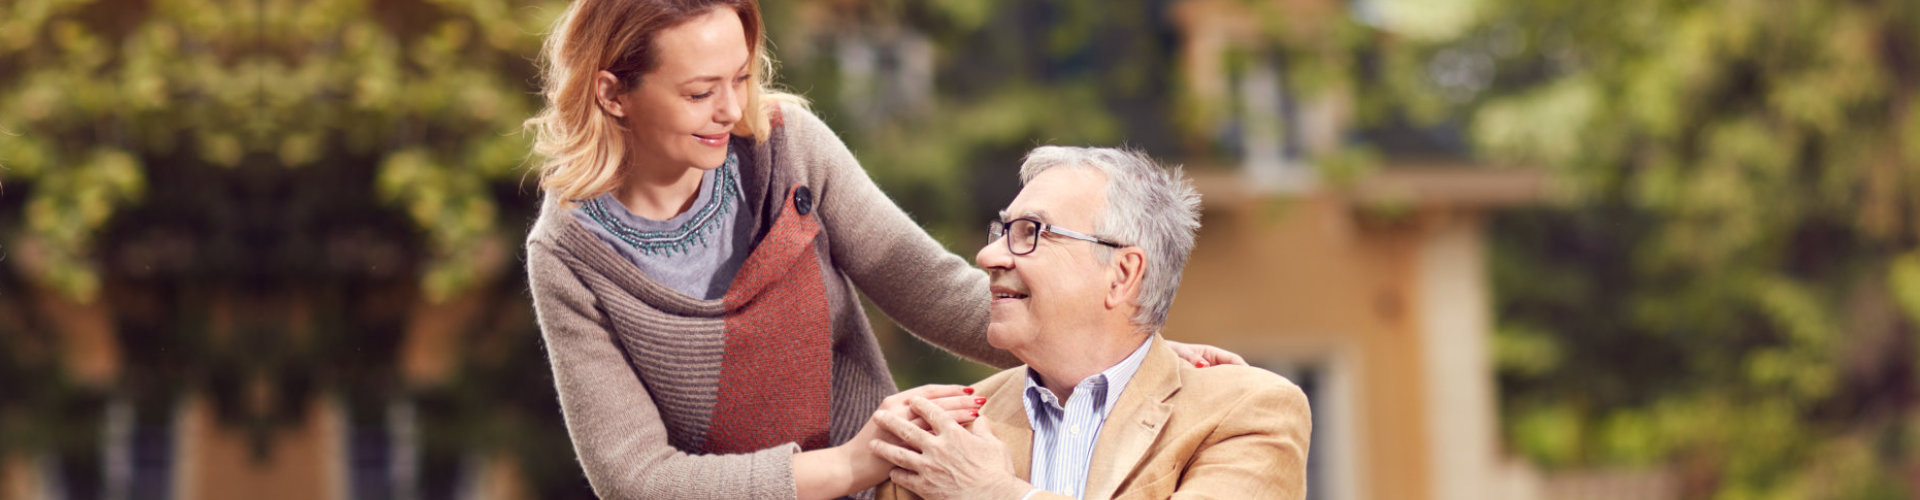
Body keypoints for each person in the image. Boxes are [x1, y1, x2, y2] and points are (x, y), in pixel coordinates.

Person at [519, 1, 1248, 498]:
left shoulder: (784, 148)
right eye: (700, 91)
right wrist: (846, 464)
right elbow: (636, 478)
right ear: (614, 93)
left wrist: (1136, 355)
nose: (731, 109)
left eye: (741, 77)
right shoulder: (570, 255)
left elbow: (926, 283)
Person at [868, 147, 1313, 500]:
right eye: (1003, 232)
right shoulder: (945, 431)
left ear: (1122, 274)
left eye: (1031, 232)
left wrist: (998, 494)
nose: (988, 257)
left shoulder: (1246, 411)